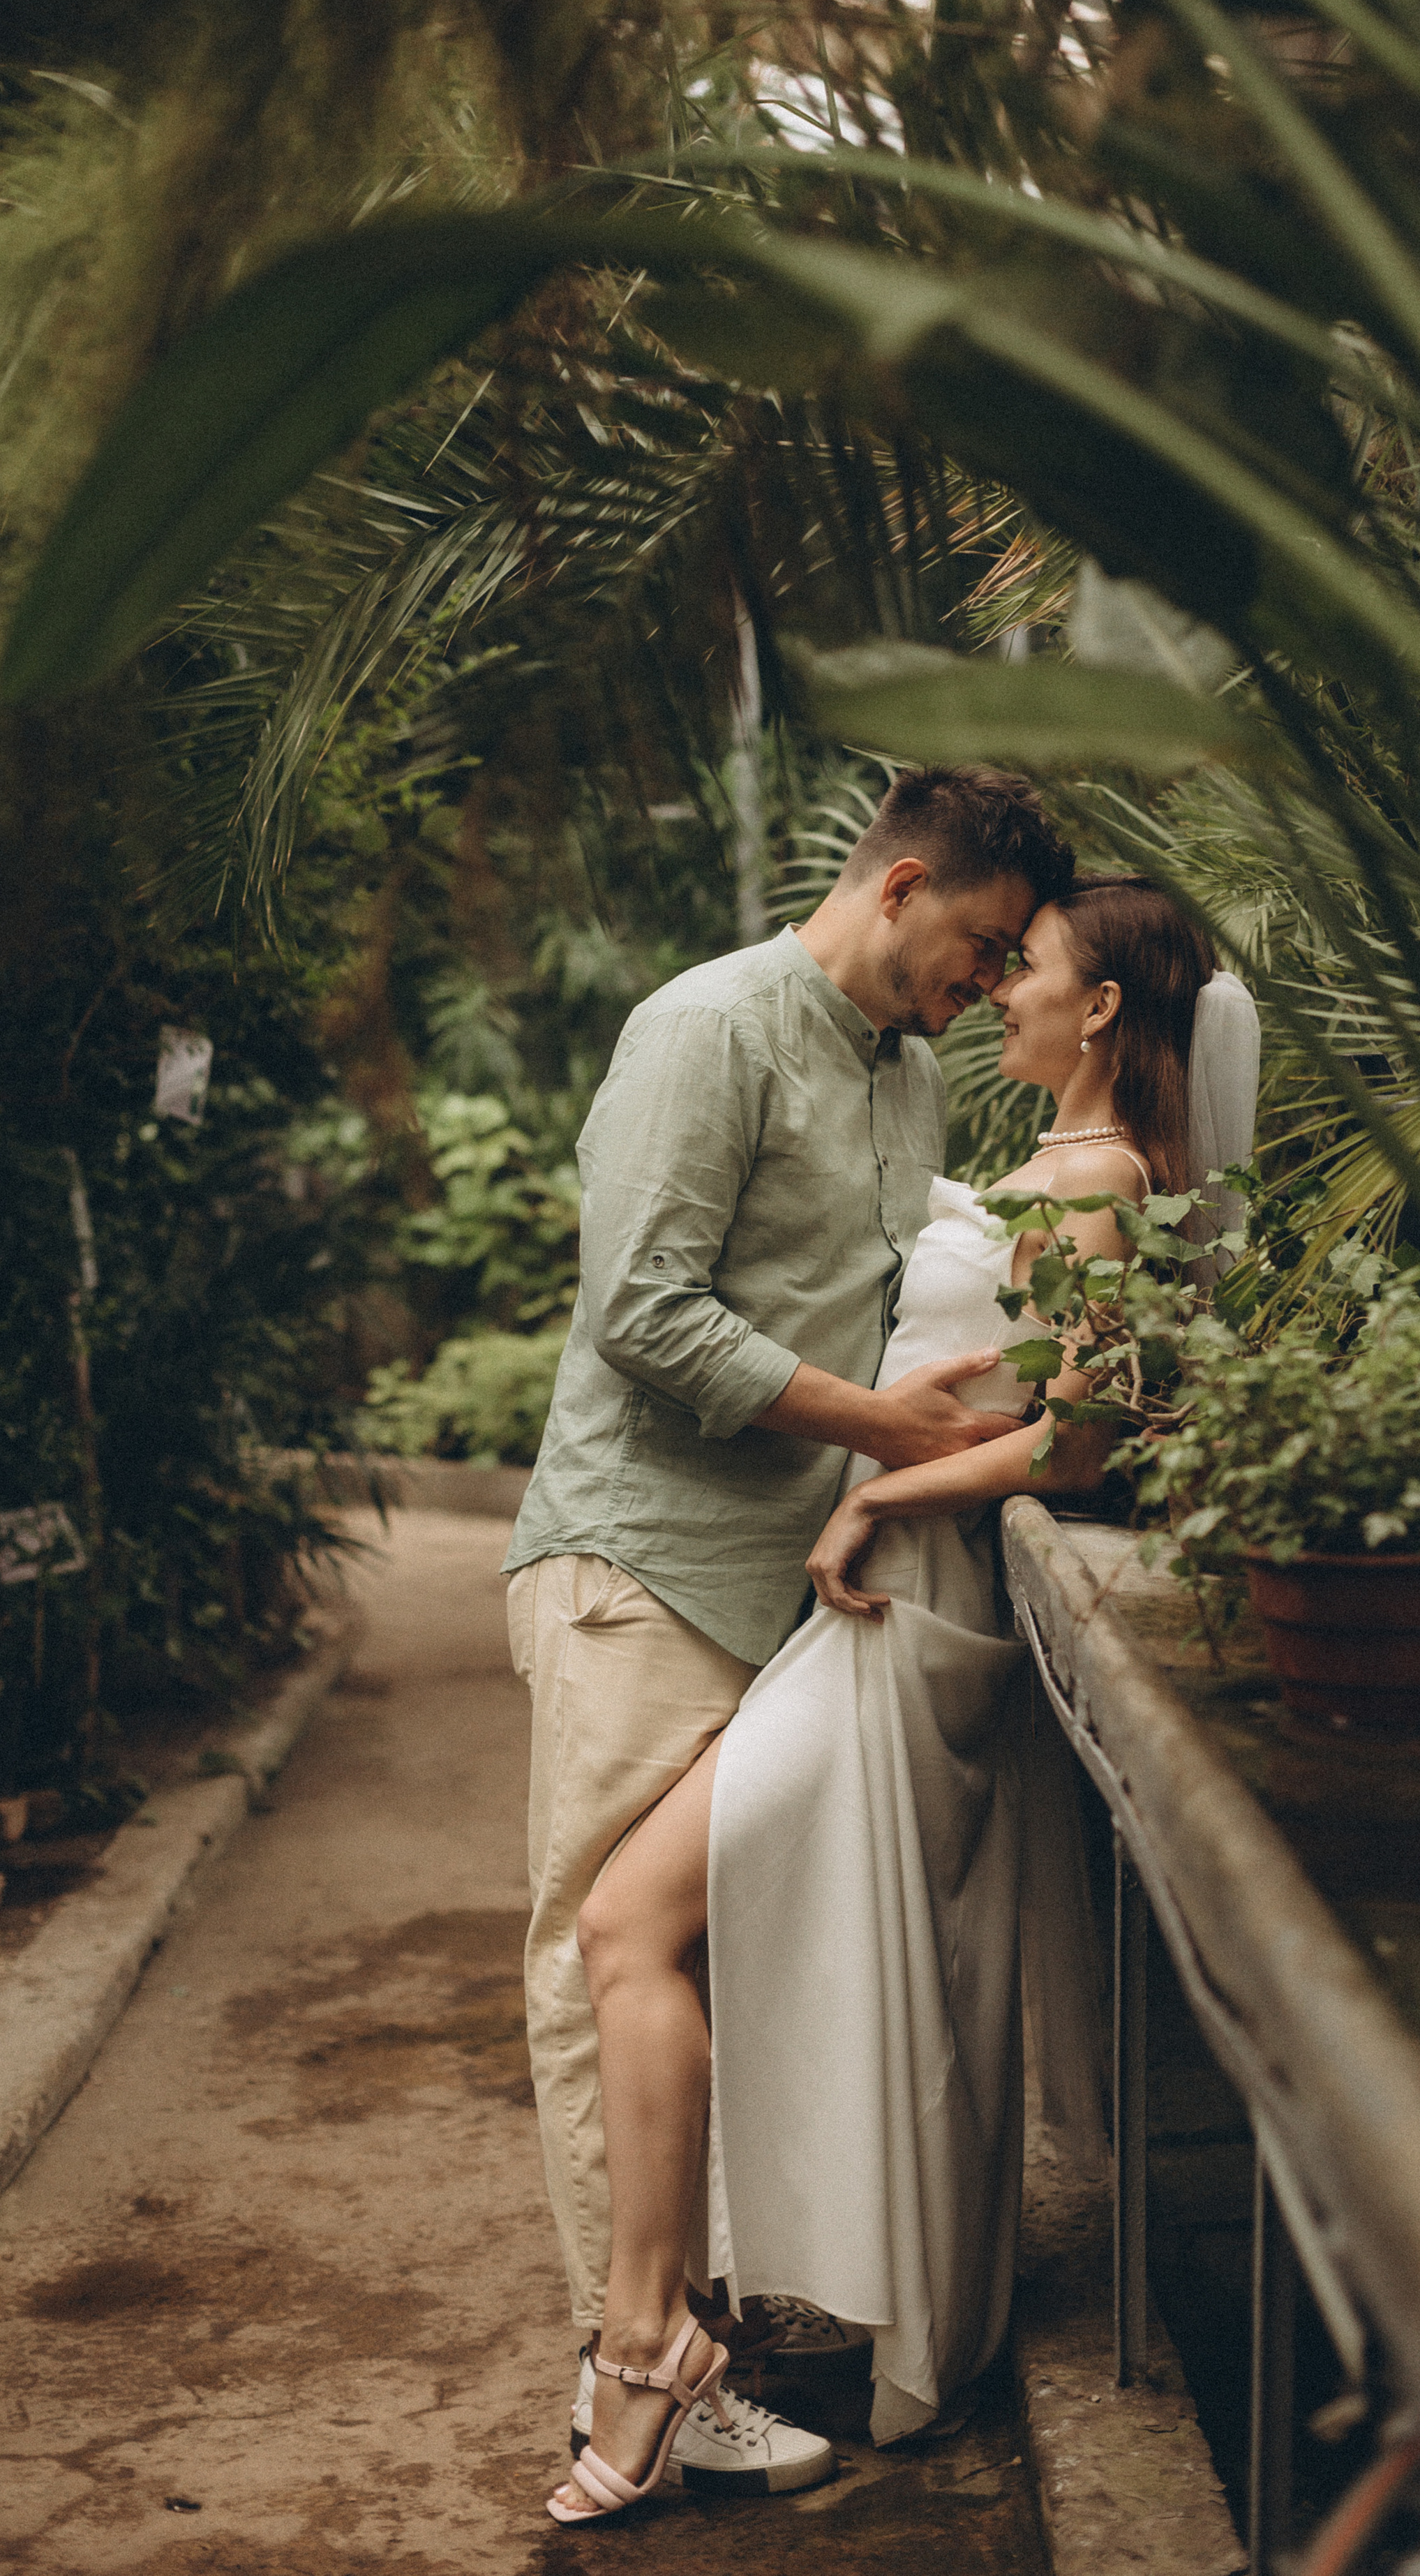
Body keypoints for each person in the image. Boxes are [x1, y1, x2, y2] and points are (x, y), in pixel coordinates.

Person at [550, 877, 1260, 2523]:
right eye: (1002, 960)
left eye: (1036, 969)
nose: (1002, 989)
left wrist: (882, 1490)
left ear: (1099, 1013)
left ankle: (648, 2352)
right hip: (885, 1622)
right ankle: (667, 2343)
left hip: (916, 1614)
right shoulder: (1058, 1164)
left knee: (628, 1920)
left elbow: (1085, 1436)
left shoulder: (1098, 1188)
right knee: (709, 1933)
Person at [503, 764, 1076, 2500]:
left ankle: (694, 2337)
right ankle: (638, 2373)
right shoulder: (709, 1030)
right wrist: (881, 1435)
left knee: (703, 1943)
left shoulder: (904, 1077)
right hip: (640, 1558)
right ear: (897, 886)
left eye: (1002, 974)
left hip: (792, 1584)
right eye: (977, 951)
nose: (983, 994)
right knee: (604, 1952)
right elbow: (639, 1312)